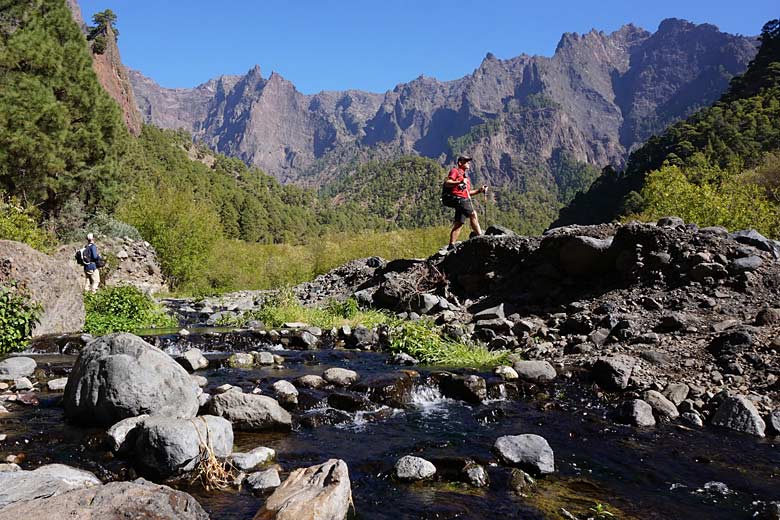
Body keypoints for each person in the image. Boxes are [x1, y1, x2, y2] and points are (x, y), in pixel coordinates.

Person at [444, 155, 487, 249]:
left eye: (468, 161)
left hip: (462, 199)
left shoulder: (465, 178)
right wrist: (459, 182)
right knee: (473, 214)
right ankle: (480, 236)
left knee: (459, 223)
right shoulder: (455, 171)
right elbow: (448, 183)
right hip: (458, 199)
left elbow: (467, 193)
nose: (468, 163)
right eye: (466, 161)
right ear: (460, 163)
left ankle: (451, 245)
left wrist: (479, 190)